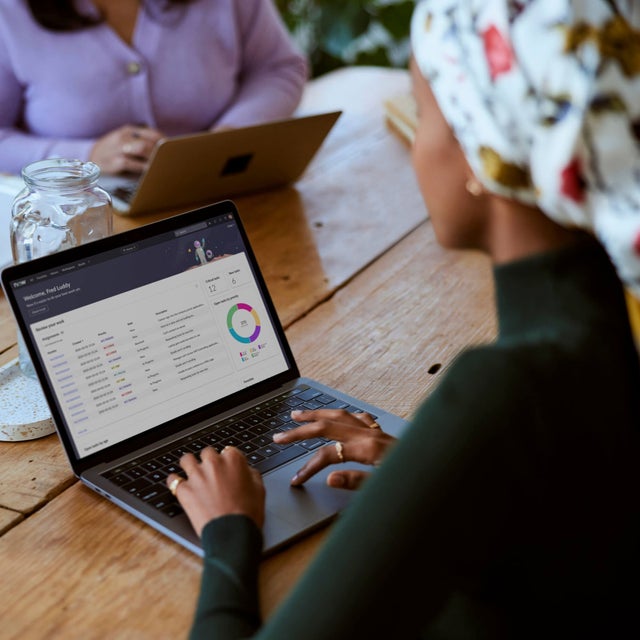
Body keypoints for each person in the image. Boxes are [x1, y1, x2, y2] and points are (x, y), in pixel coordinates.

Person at [166, 1, 640, 637]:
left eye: (423, 115)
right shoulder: (610, 324)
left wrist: (228, 533)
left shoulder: (504, 391)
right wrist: (433, 468)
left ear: (482, 151)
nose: (418, 145)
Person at [0, 0, 307, 176]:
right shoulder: (8, 14)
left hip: (225, 196)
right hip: (79, 227)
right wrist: (84, 157)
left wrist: (231, 134)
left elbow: (278, 68)